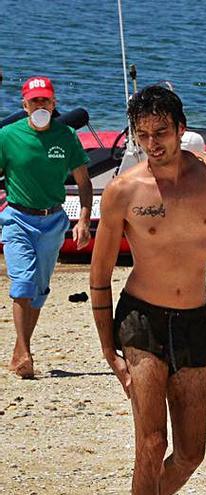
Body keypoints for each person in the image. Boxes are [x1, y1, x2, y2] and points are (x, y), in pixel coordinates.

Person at [89, 85, 206, 494]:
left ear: (181, 129)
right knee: (151, 443)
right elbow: (100, 273)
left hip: (196, 319)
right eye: (140, 135)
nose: (150, 144)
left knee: (190, 453)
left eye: (159, 132)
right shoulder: (123, 190)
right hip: (141, 318)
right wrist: (109, 350)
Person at [0, 76, 92, 378]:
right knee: (23, 283)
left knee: (38, 291)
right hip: (17, 218)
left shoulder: (66, 135)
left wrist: (83, 220)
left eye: (45, 100)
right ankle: (26, 352)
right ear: (25, 105)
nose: (40, 105)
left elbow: (83, 181)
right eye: (35, 101)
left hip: (53, 221)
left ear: (53, 104)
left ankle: (19, 347)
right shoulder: (7, 136)